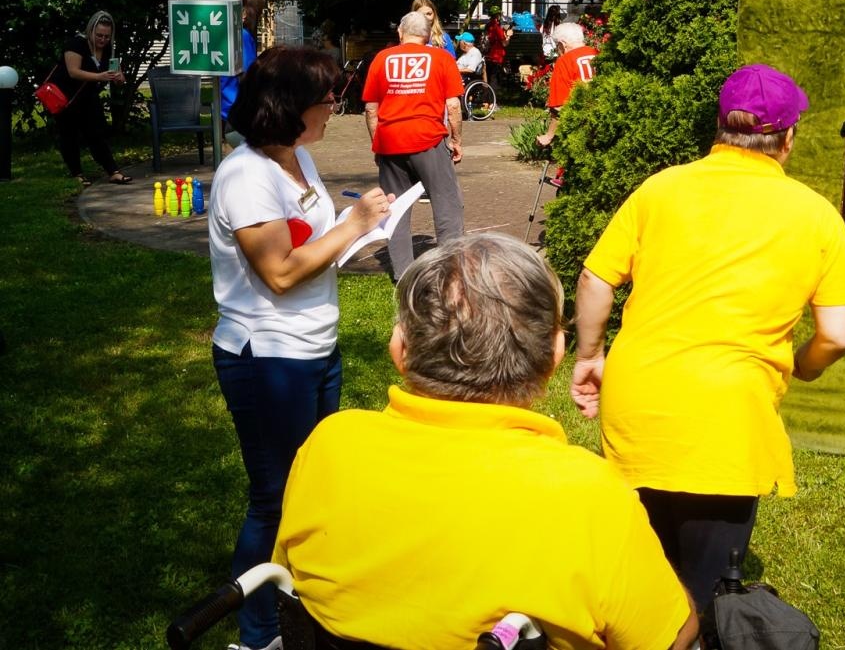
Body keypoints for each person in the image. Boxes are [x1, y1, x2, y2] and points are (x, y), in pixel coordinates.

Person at [273, 234, 698, 650]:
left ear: (399, 348)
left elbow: (292, 577)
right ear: (555, 353)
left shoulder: (330, 445)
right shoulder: (590, 495)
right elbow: (670, 636)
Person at [571, 64, 845, 613]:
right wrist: (804, 364)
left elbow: (594, 279)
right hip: (730, 415)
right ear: (788, 138)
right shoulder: (816, 215)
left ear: (720, 126)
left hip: (639, 401)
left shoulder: (660, 189)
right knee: (704, 593)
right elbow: (839, 333)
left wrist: (589, 355)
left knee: (634, 576)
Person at [208, 46, 392, 650]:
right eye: (326, 99)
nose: (335, 106)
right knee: (273, 499)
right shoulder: (245, 175)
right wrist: (356, 224)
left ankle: (299, 605)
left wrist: (358, 233)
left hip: (314, 347)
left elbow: (313, 247)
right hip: (267, 358)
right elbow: (281, 273)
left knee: (306, 489)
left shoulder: (298, 158)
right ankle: (257, 636)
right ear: (289, 106)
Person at [363, 11, 466, 279]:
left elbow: (371, 109)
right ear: (427, 35)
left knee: (395, 209)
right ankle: (450, 269)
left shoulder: (381, 59)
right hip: (428, 140)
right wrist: (456, 140)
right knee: (447, 204)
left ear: (400, 33)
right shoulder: (442, 58)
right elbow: (453, 105)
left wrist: (377, 143)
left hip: (391, 141)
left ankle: (403, 274)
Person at [47, 10, 132, 186]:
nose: (102, 40)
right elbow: (73, 72)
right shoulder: (76, 44)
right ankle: (77, 173)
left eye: (107, 36)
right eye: (99, 35)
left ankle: (113, 171)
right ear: (90, 31)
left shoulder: (108, 48)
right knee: (69, 135)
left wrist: (119, 78)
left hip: (88, 96)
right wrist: (100, 77)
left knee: (96, 133)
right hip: (65, 96)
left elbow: (115, 71)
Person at [535, 22, 596, 149]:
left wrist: (549, 136)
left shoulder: (564, 62)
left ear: (562, 45)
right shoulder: (598, 54)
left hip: (578, 129)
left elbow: (559, 108)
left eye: (557, 46)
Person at [219, 0, 268, 143]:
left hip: (226, 108)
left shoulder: (227, 34)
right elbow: (248, 76)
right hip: (240, 113)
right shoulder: (243, 36)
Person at [484, 13, 509, 88]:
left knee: (488, 77)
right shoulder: (496, 28)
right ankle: (493, 98)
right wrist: (508, 36)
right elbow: (504, 43)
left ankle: (487, 97)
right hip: (496, 56)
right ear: (497, 17)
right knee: (494, 79)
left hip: (487, 55)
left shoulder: (488, 26)